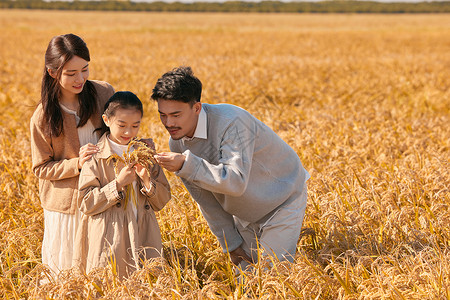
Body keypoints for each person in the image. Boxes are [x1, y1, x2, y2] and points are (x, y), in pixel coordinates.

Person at [151, 66, 310, 270]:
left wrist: (185, 164)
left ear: (197, 108)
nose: (168, 123)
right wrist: (231, 245)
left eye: (176, 115)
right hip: (244, 211)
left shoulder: (231, 121)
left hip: (283, 200)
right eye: (162, 115)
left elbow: (235, 181)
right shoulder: (177, 143)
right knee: (245, 278)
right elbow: (205, 199)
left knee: (274, 277)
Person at [30, 33, 115, 275]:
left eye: (85, 69)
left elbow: (122, 131)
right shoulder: (43, 116)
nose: (81, 79)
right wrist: (77, 163)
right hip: (67, 207)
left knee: (105, 272)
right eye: (71, 73)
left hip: (103, 196)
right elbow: (41, 168)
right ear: (52, 72)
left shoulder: (103, 93)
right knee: (68, 275)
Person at [73, 91, 171, 278]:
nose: (129, 132)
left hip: (144, 233)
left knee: (146, 286)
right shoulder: (95, 157)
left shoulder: (146, 153)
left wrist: (147, 180)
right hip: (109, 236)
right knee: (109, 286)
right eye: (122, 125)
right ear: (106, 120)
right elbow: (85, 203)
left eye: (135, 125)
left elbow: (163, 200)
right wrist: (117, 184)